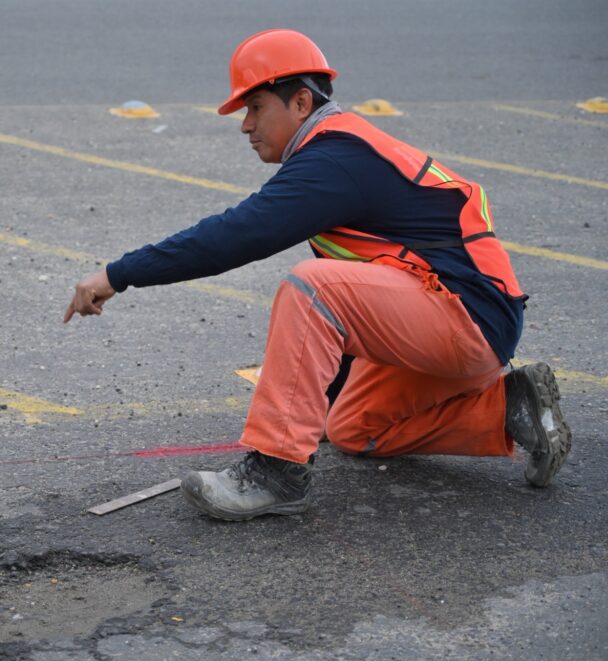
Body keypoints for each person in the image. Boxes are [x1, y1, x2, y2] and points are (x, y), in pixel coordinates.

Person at [62, 28, 571, 521]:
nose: (245, 125)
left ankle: (276, 472)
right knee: (351, 427)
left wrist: (117, 274)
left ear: (302, 102)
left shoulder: (335, 159)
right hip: (455, 318)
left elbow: (235, 236)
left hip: (465, 318)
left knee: (312, 287)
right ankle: (510, 407)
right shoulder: (340, 152)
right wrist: (318, 407)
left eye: (256, 107)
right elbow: (359, 293)